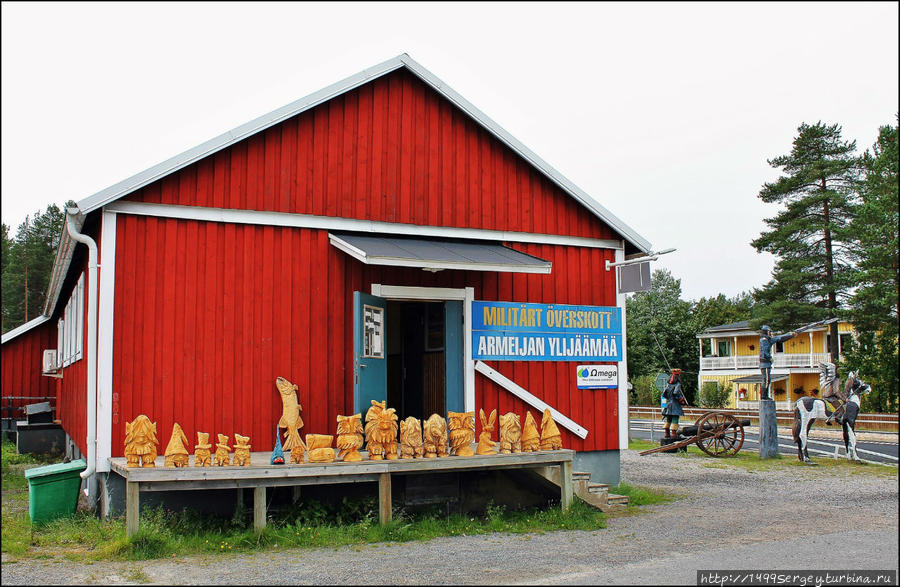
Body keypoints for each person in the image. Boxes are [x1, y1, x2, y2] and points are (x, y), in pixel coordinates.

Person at [758, 325, 796, 400]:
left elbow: (779, 338)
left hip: (766, 363)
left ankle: (765, 396)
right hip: (765, 363)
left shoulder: (768, 339)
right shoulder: (764, 340)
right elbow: (765, 353)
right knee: (766, 380)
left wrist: (790, 335)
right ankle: (764, 396)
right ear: (767, 332)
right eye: (769, 332)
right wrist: (770, 358)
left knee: (767, 380)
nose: (770, 333)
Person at [661, 369, 686, 438]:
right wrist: (681, 399)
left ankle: (667, 433)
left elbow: (664, 394)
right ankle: (674, 434)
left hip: (668, 404)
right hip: (675, 404)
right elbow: (676, 393)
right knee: (675, 418)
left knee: (668, 418)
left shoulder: (668, 385)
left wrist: (669, 398)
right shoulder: (678, 384)